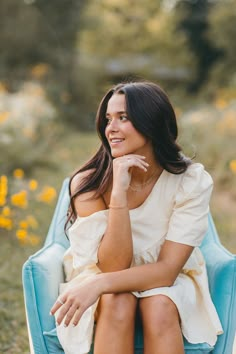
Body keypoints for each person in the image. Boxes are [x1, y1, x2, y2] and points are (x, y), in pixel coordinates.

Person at [50, 81, 223, 354]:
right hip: (102, 272)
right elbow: (113, 266)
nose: (111, 128)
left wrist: (97, 285)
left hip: (166, 279)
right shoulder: (88, 183)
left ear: (152, 122)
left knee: (160, 305)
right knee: (118, 300)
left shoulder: (191, 181)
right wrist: (118, 194)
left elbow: (167, 271)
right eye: (108, 119)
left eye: (124, 118)